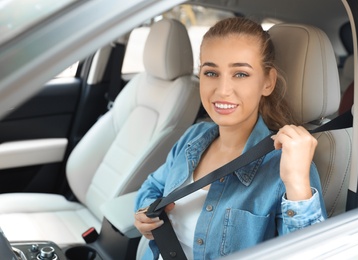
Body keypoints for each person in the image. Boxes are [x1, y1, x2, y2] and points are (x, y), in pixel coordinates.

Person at [134, 17, 327, 259]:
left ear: (268, 82)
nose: (222, 89)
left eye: (241, 74)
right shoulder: (192, 138)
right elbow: (152, 186)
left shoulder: (289, 164)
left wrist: (297, 183)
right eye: (211, 72)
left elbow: (312, 254)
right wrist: (145, 212)